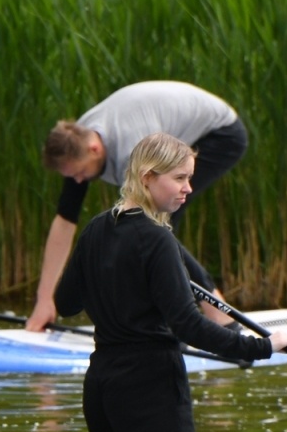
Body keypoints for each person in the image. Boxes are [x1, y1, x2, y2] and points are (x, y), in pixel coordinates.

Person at [0, 132, 287, 432]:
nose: (189, 188)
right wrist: (262, 346)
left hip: (102, 381)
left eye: (189, 178)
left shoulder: (96, 230)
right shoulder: (158, 240)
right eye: (179, 178)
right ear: (147, 176)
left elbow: (65, 302)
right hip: (149, 383)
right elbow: (189, 326)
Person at [28, 80, 247, 332]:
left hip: (219, 134)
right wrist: (45, 300)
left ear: (94, 149)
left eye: (79, 173)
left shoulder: (132, 151)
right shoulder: (76, 140)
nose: (78, 181)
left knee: (152, 228)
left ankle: (218, 312)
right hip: (167, 129)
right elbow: (65, 221)